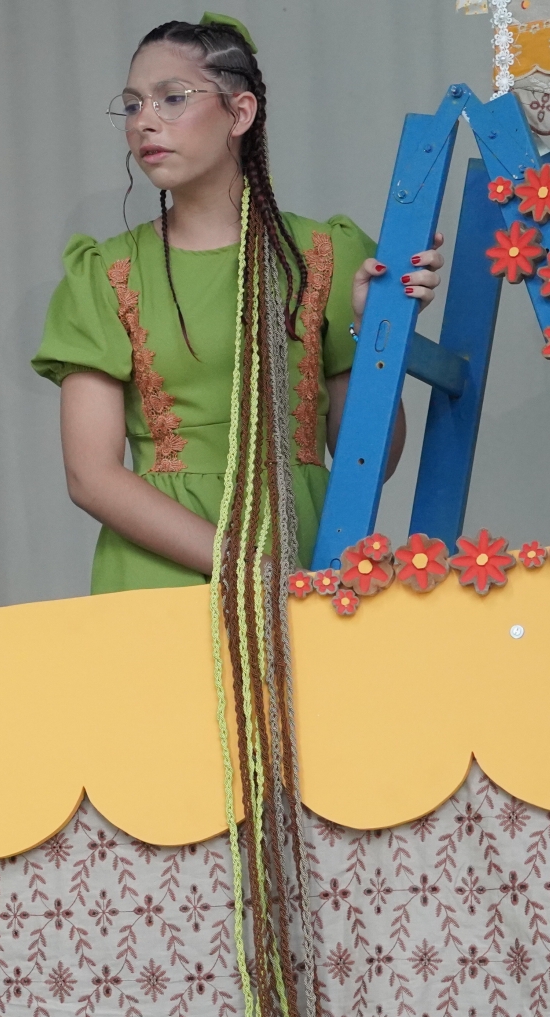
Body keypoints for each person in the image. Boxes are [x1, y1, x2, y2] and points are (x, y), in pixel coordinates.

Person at [32, 14, 444, 593]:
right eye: (131, 105)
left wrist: (376, 331)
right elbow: (90, 476)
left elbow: (371, 462)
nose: (144, 120)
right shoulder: (104, 274)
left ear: (240, 113)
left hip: (306, 557)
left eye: (171, 98)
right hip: (160, 580)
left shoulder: (326, 254)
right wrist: (249, 568)